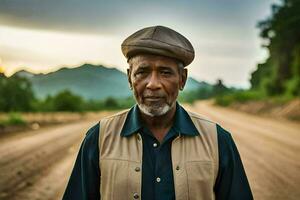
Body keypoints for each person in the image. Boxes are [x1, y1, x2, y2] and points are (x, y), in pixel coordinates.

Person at [62, 25, 253, 200]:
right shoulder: (99, 138)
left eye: (165, 72)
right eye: (142, 72)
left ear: (182, 79)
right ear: (130, 78)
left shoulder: (218, 140)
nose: (153, 84)